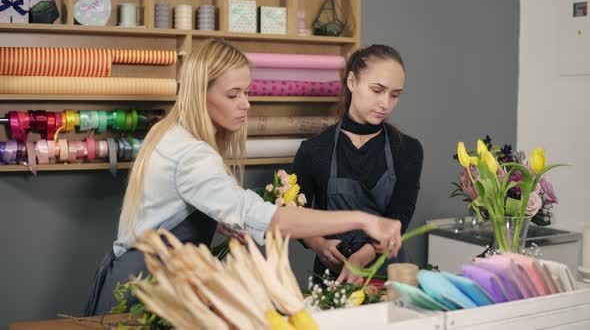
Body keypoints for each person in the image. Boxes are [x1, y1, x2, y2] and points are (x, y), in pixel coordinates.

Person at [84, 39, 403, 316]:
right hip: (146, 288)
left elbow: (172, 209)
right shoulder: (193, 155)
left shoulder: (169, 133)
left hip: (139, 278)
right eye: (233, 95)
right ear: (201, 94)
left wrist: (223, 221)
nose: (246, 104)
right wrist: (363, 220)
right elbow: (264, 218)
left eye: (246, 92)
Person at [292, 44, 423, 285]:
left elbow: (398, 218)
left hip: (386, 276)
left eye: (395, 95)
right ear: (352, 82)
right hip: (331, 278)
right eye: (377, 90)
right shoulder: (314, 150)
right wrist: (320, 244)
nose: (385, 103)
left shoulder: (407, 150)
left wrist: (362, 257)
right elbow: (292, 215)